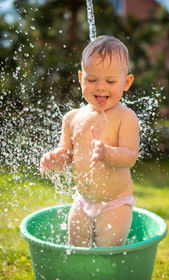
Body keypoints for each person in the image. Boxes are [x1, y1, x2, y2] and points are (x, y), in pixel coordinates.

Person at [40, 35, 139, 248]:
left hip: (115, 203)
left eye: (110, 81)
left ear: (126, 82)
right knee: (75, 245)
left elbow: (130, 156)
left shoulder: (126, 117)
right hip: (82, 201)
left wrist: (106, 153)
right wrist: (55, 158)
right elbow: (66, 154)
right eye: (92, 80)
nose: (100, 87)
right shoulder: (72, 118)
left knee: (108, 247)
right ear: (80, 78)